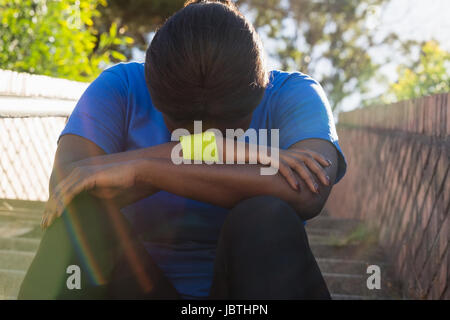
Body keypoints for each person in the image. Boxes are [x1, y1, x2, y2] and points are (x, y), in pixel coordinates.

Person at [18, 0, 346, 300]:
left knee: (265, 216)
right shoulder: (123, 87)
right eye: (182, 126)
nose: (204, 141)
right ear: (153, 87)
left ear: (261, 92)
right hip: (137, 289)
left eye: (224, 131)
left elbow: (309, 191)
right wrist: (241, 158)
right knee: (82, 217)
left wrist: (144, 167)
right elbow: (69, 188)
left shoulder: (293, 93)